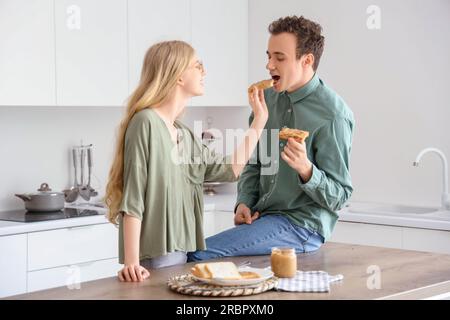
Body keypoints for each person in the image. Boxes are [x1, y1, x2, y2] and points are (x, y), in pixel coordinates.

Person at [188, 15, 354, 262]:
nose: (269, 66)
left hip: (303, 227)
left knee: (198, 255)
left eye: (280, 57)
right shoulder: (266, 99)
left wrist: (307, 170)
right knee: (196, 255)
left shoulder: (332, 115)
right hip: (265, 219)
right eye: (268, 56)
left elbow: (340, 195)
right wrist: (244, 202)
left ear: (307, 60)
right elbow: (254, 164)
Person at [104, 40, 268, 282]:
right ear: (178, 75)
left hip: (180, 252)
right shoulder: (145, 122)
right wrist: (132, 263)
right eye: (197, 65)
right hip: (155, 254)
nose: (204, 72)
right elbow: (134, 197)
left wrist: (259, 121)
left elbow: (230, 170)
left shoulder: (183, 132)